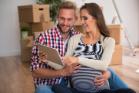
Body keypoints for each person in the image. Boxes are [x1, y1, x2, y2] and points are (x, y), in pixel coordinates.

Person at [30, 1, 128, 93]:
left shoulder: (104, 40)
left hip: (90, 87)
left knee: (112, 73)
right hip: (61, 84)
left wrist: (77, 60)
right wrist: (47, 60)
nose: (65, 23)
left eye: (69, 19)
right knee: (47, 89)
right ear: (57, 17)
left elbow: (102, 65)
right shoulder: (49, 37)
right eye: (62, 18)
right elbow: (63, 65)